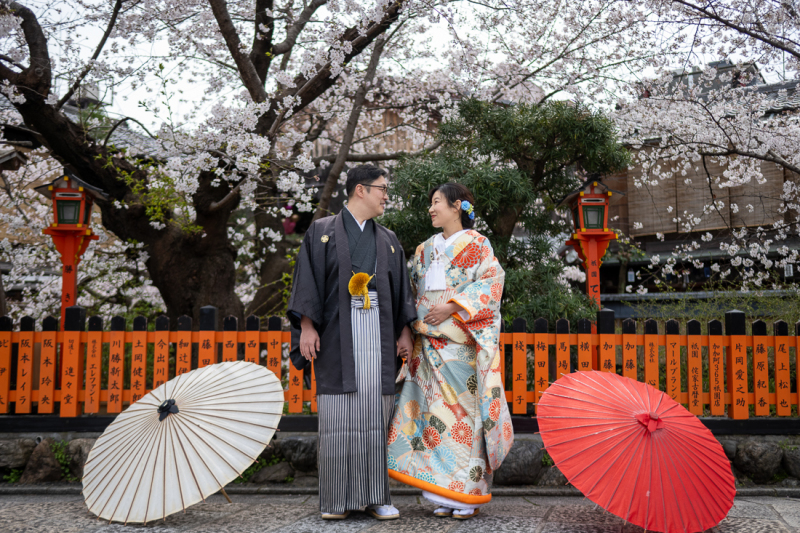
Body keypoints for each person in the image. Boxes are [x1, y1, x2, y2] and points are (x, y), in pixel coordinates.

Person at [287, 164, 416, 520]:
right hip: (336, 334)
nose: (386, 196)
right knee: (337, 415)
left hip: (380, 330)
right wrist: (307, 326)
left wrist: (405, 332)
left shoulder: (387, 239)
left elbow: (401, 290)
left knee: (376, 412)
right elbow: (308, 281)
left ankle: (376, 496)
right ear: (361, 190)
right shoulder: (321, 231)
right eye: (382, 189)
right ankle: (336, 500)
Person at [387, 182, 514, 519]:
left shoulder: (478, 244)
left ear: (457, 206)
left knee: (464, 418)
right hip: (428, 346)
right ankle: (443, 492)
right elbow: (411, 291)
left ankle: (467, 494)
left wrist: (452, 307)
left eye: (437, 202)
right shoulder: (424, 249)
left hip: (460, 347)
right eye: (431, 203)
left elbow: (491, 284)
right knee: (434, 420)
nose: (431, 209)